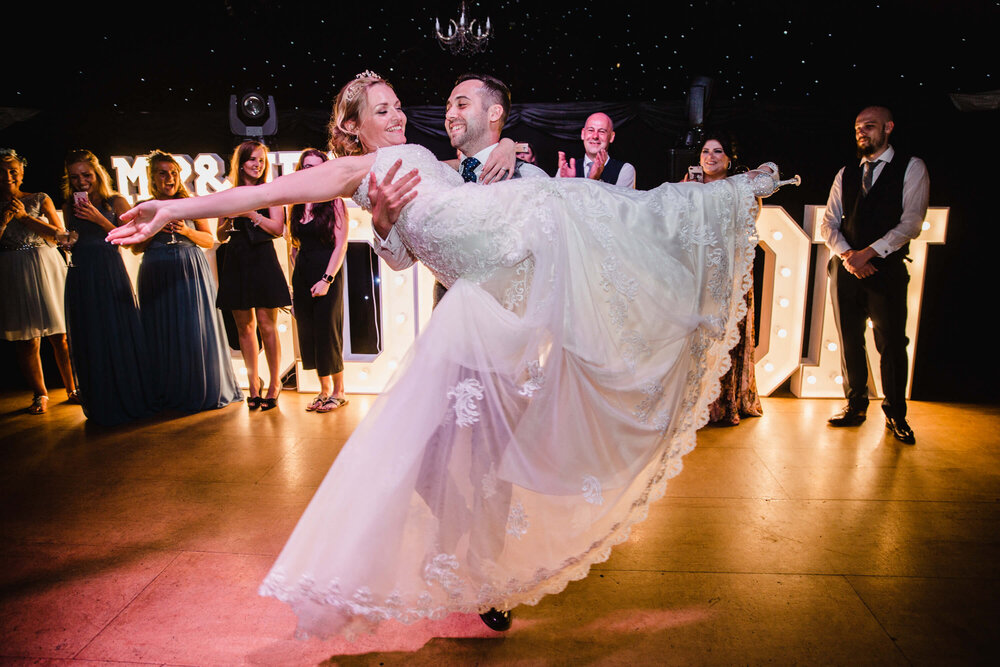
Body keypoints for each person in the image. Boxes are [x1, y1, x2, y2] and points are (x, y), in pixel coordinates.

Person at [109, 72, 787, 640]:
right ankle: (489, 569)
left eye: (401, 104)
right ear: (353, 129)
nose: (401, 113)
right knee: (447, 459)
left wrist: (512, 147)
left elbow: (453, 201)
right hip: (484, 297)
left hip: (510, 243)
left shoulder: (428, 159)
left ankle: (723, 200)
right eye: (383, 110)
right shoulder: (359, 170)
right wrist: (174, 208)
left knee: (607, 216)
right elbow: (274, 198)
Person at [373, 73, 547, 307]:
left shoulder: (528, 178)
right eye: (448, 107)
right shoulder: (434, 178)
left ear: (494, 114)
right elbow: (401, 261)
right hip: (448, 323)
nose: (450, 114)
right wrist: (382, 225)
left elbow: (549, 265)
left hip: (507, 327)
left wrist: (508, 144)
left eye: (462, 105)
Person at [820, 106, 929, 445]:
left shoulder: (912, 167)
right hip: (847, 268)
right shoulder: (846, 173)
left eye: (869, 126)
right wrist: (850, 256)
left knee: (892, 344)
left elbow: (911, 222)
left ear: (888, 128)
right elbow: (828, 223)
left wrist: (870, 252)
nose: (862, 133)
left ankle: (896, 414)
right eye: (857, 128)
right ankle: (855, 405)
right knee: (850, 340)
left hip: (887, 270)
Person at [132, 150, 243, 412]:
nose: (169, 179)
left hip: (189, 271)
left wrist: (186, 230)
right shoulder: (145, 207)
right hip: (157, 273)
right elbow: (136, 249)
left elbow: (209, 240)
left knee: (194, 329)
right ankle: (167, 391)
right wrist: (155, 228)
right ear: (152, 177)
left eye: (173, 173)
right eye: (163, 173)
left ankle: (202, 389)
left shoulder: (191, 203)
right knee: (162, 331)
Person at [62, 149, 156, 425]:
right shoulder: (70, 205)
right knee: (90, 336)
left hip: (108, 271)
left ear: (98, 173)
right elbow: (75, 237)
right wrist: (69, 240)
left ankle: (127, 397)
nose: (81, 182)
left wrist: (99, 219)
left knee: (116, 332)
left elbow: (133, 239)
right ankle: (100, 400)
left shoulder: (115, 201)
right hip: (81, 274)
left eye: (86, 175)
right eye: (75, 177)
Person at [683, 133, 763, 425]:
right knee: (697, 338)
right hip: (696, 273)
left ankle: (722, 403)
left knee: (724, 334)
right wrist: (686, 195)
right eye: (705, 151)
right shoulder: (688, 185)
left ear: (730, 159)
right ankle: (694, 400)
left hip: (728, 272)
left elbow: (748, 227)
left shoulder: (741, 188)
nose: (710, 157)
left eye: (718, 152)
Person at [0, 148, 77, 414]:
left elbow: (60, 236)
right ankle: (40, 394)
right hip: (13, 269)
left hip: (46, 265)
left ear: (21, 174)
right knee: (27, 339)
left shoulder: (39, 198)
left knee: (61, 335)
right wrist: (4, 221)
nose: (7, 176)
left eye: (13, 171)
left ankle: (72, 388)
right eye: (2, 171)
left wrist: (24, 217)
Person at [216, 141, 291, 410]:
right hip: (236, 258)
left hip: (262, 257)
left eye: (261, 160)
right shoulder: (230, 193)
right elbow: (219, 236)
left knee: (266, 324)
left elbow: (278, 228)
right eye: (252, 160)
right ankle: (253, 383)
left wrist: (250, 214)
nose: (257, 165)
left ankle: (274, 382)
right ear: (241, 163)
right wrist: (227, 219)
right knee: (244, 327)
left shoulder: (269, 192)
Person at [287, 149, 349, 413]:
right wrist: (294, 277)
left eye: (315, 166)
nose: (309, 170)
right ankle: (322, 391)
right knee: (309, 333)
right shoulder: (296, 202)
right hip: (302, 272)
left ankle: (339, 391)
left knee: (327, 331)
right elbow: (292, 244)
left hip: (327, 273)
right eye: (305, 166)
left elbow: (341, 244)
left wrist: (327, 278)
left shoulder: (334, 201)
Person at [556, 112, 636, 188]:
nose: (595, 136)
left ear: (611, 137)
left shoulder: (624, 170)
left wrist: (594, 181)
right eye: (591, 130)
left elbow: (618, 202)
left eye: (602, 131)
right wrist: (566, 185)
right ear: (583, 134)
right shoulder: (565, 170)